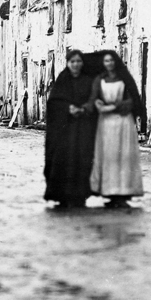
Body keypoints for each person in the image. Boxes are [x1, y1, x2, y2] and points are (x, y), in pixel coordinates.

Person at [44, 50, 101, 208]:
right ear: (68, 63)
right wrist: (68, 108)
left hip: (83, 128)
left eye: (78, 61)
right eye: (72, 62)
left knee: (82, 161)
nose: (76, 64)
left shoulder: (87, 80)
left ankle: (80, 195)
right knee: (63, 161)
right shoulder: (63, 80)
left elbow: (94, 100)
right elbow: (53, 103)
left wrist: (85, 109)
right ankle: (61, 196)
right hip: (64, 131)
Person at [88, 50, 144, 208]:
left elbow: (132, 98)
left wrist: (116, 106)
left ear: (116, 62)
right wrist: (97, 104)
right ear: (103, 64)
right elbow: (94, 98)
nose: (109, 64)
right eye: (106, 61)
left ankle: (124, 193)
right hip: (105, 124)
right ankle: (110, 192)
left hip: (123, 121)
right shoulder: (99, 79)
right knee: (109, 157)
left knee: (124, 157)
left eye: (112, 61)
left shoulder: (125, 79)